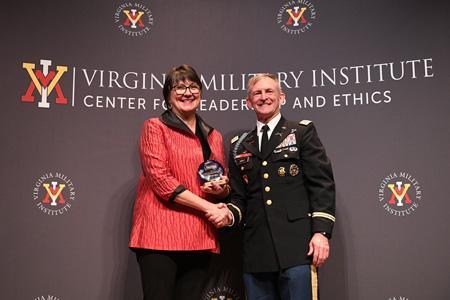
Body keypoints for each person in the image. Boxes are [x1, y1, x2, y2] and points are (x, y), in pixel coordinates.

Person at [208, 73, 336, 299]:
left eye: (269, 92)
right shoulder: (239, 146)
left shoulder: (301, 132)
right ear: (248, 102)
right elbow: (239, 199)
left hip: (298, 247)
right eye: (257, 93)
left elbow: (321, 184)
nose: (263, 97)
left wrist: (321, 233)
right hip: (256, 250)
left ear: (282, 97)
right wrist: (228, 215)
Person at [129, 65, 231, 300]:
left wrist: (221, 189)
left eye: (193, 86)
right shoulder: (154, 127)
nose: (187, 92)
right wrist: (209, 207)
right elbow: (162, 181)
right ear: (168, 95)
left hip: (199, 235)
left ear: (201, 92)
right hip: (159, 234)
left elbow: (219, 182)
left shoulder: (214, 136)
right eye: (179, 87)